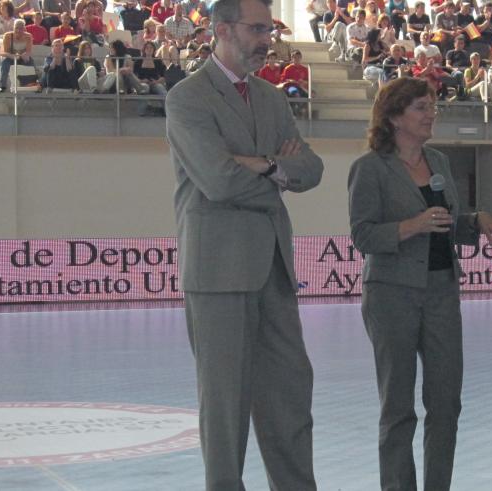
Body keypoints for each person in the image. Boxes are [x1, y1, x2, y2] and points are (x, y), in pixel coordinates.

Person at [165, 0, 323, 488]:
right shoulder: (188, 97)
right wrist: (277, 170)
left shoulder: (273, 98)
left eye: (269, 29)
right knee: (225, 408)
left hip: (272, 268)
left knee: (291, 397)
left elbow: (310, 170)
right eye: (256, 29)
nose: (266, 39)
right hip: (217, 272)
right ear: (222, 29)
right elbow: (218, 181)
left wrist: (264, 165)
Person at [347, 76, 492, 491]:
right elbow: (363, 235)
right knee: (398, 407)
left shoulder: (439, 162)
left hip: (442, 291)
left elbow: (446, 225)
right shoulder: (369, 168)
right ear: (393, 117)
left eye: (433, 107)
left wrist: (476, 222)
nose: (431, 115)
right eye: (421, 107)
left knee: (446, 404)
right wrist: (412, 226)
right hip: (391, 294)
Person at [0, 19, 36, 92]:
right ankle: (2, 85)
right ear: (13, 28)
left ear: (24, 29)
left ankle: (32, 84)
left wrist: (25, 55)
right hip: (10, 57)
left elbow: (29, 51)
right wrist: (13, 56)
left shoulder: (28, 36)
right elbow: (3, 52)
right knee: (4, 64)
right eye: (16, 28)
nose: (18, 30)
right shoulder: (7, 36)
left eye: (21, 28)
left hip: (22, 57)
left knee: (31, 63)